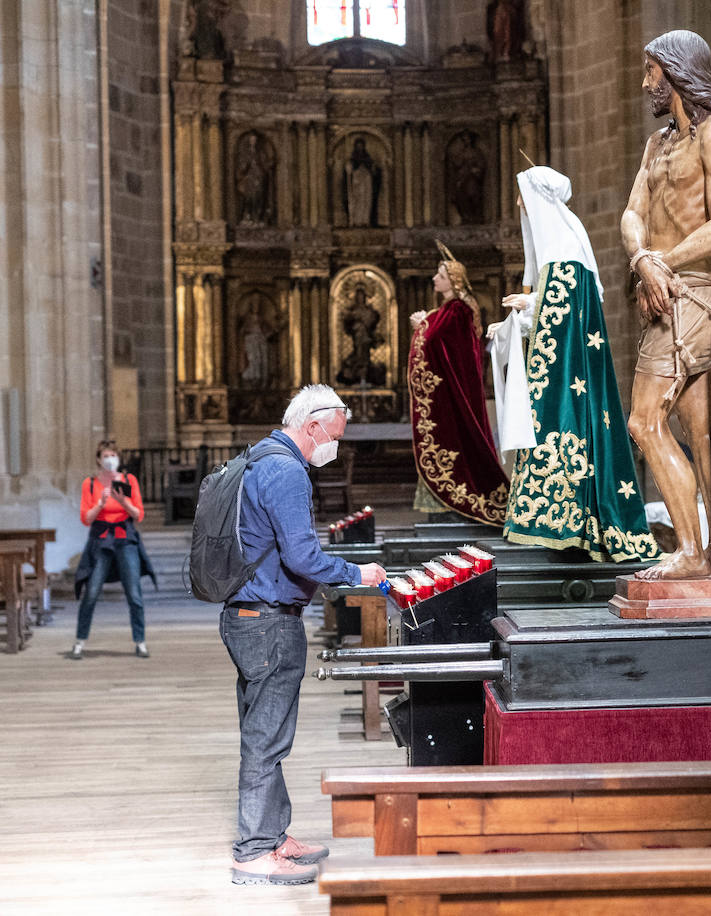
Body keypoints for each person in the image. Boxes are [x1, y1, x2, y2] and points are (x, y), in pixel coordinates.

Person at [222, 384, 387, 887]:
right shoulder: (287, 469)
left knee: (266, 733)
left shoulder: (260, 456)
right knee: (265, 739)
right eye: (332, 436)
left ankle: (273, 836)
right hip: (268, 621)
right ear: (312, 424)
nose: (332, 448)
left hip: (249, 616)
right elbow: (302, 557)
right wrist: (360, 574)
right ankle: (253, 852)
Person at [620, 29, 711, 581]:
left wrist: (663, 262)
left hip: (695, 293)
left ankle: (693, 553)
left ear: (674, 72)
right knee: (699, 433)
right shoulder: (658, 144)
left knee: (645, 422)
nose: (646, 83)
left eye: (652, 72)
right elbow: (631, 214)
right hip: (661, 292)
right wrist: (643, 257)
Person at [489, 166, 657, 561]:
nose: (518, 205)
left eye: (522, 196)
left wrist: (527, 306)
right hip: (561, 371)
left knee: (565, 429)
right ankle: (561, 525)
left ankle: (573, 524)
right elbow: (550, 309)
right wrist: (515, 318)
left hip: (567, 377)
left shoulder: (564, 248)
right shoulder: (558, 250)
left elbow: (561, 312)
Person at [407, 242, 509, 527]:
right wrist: (428, 322)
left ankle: (456, 505)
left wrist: (423, 324)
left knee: (456, 441)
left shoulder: (457, 310)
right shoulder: (454, 309)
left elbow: (438, 340)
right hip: (449, 392)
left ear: (452, 279)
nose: (434, 279)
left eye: (439, 275)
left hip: (453, 394)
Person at [72, 440, 156, 659]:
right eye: (106, 455)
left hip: (124, 537)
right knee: (91, 593)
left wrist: (123, 501)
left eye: (113, 455)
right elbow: (85, 518)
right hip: (101, 539)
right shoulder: (90, 484)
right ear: (99, 459)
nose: (110, 459)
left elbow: (138, 515)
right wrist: (100, 503)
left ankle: (140, 641)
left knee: (134, 593)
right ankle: (80, 641)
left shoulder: (129, 480)